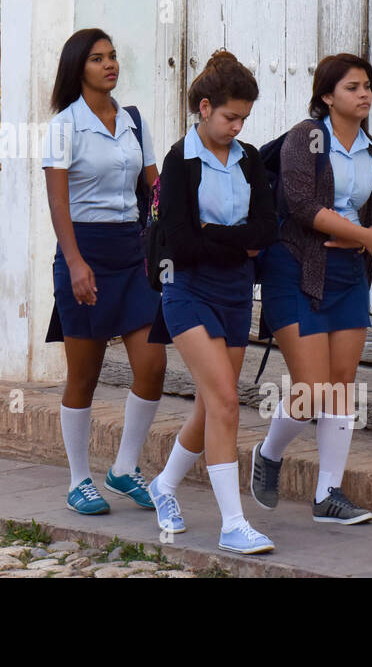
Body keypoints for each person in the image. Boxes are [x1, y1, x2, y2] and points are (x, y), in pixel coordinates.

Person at [250, 53, 372, 524]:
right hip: (296, 268)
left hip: (347, 275)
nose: (364, 94)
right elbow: (299, 204)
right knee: (313, 388)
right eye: (353, 87)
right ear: (326, 96)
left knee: (341, 387)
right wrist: (363, 236)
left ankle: (328, 495)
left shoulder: (371, 149)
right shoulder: (306, 138)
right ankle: (269, 452)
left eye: (368, 86)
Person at [143, 51, 278, 554]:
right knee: (224, 400)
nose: (238, 126)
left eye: (244, 117)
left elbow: (268, 229)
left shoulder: (247, 158)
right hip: (188, 291)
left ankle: (164, 486)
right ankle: (232, 523)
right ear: (204, 108)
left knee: (210, 405)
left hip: (237, 294)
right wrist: (235, 241)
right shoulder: (181, 161)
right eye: (230, 117)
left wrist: (217, 235)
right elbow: (180, 243)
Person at [41, 29, 166, 516]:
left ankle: (124, 468)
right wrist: (74, 262)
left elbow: (154, 189)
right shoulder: (64, 127)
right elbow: (57, 203)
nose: (110, 65)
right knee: (84, 375)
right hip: (85, 251)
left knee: (153, 366)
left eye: (113, 56)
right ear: (79, 68)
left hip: (133, 253)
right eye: (98, 59)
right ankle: (78, 480)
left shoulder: (133, 120)